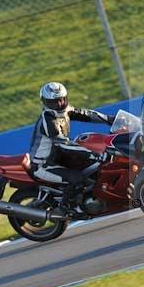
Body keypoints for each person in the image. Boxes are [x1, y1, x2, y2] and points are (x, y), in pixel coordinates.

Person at [29, 82, 115, 211]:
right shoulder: (48, 120)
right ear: (45, 102)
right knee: (77, 178)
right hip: (44, 164)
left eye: (61, 100)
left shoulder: (66, 110)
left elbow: (85, 114)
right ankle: (65, 208)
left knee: (93, 168)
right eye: (54, 102)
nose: (59, 104)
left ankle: (97, 199)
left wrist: (109, 119)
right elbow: (63, 144)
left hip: (58, 157)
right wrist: (92, 153)